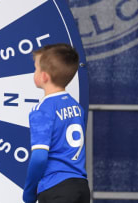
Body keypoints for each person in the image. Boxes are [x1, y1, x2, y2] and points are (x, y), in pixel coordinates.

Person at [22, 43, 90, 203]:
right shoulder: (76, 106)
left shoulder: (42, 110)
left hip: (56, 189)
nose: (34, 72)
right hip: (81, 187)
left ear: (44, 76)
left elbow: (39, 157)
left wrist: (29, 191)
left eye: (36, 68)